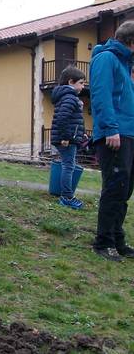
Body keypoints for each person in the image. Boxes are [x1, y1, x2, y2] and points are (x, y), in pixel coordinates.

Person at [89, 20, 134, 262]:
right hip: (114, 134)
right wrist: (110, 128)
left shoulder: (125, 64)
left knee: (124, 190)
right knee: (114, 188)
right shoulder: (106, 59)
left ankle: (117, 239)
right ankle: (103, 242)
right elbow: (100, 94)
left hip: (128, 133)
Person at [51, 65, 86, 210]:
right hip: (66, 139)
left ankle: (64, 193)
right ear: (71, 82)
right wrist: (65, 137)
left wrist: (80, 133)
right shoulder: (70, 98)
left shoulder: (68, 98)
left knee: (67, 165)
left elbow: (72, 119)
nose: (83, 86)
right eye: (81, 83)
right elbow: (63, 118)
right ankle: (66, 197)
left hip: (69, 137)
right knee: (68, 166)